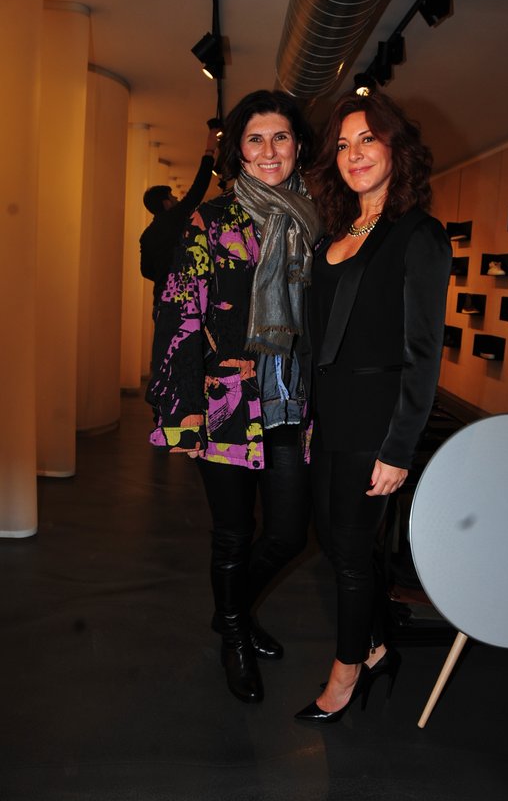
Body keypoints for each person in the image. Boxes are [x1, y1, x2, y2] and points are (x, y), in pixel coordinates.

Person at [146, 90, 321, 704]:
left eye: (280, 137)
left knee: (290, 531)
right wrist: (183, 409)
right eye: (255, 138)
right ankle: (236, 640)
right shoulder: (211, 221)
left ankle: (231, 614)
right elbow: (180, 312)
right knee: (232, 533)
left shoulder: (316, 220)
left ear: (297, 145)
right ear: (239, 151)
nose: (269, 150)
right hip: (226, 401)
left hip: (292, 400)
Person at [294, 88, 452, 723]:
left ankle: (346, 673)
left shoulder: (419, 234)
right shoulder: (335, 231)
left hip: (378, 416)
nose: (354, 154)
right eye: (343, 145)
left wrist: (399, 445)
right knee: (333, 541)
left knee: (352, 550)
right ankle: (379, 646)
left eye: (367, 139)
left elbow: (424, 351)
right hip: (332, 412)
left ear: (395, 148)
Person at [140, 120, 221, 309]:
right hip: (185, 294)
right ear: (166, 203)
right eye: (172, 197)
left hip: (162, 299)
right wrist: (209, 150)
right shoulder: (173, 218)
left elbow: (146, 271)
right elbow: (197, 189)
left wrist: (165, 273)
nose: (177, 199)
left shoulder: (147, 236)